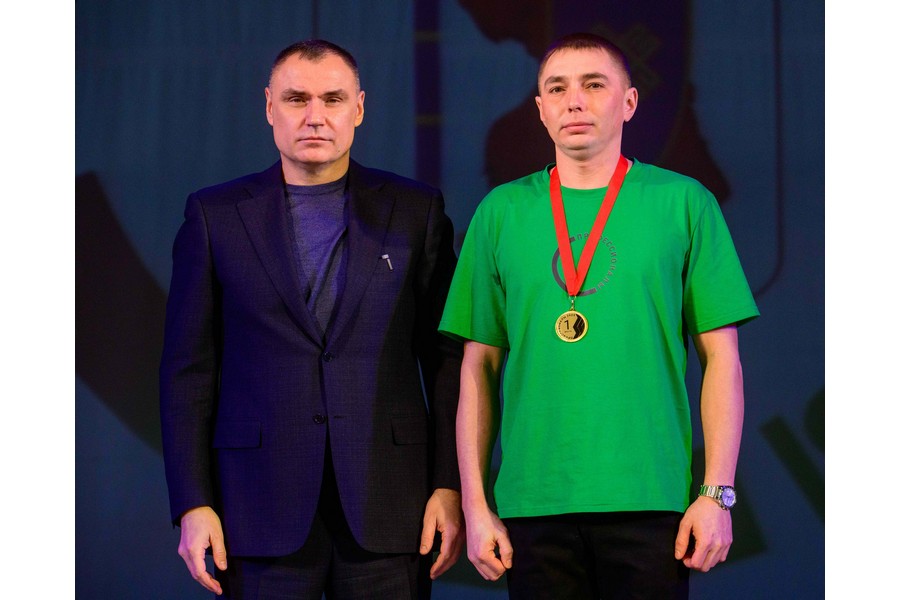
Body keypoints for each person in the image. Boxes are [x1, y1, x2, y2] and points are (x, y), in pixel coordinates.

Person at [439, 32, 759, 599]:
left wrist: (717, 494)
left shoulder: (683, 203)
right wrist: (475, 504)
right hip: (533, 503)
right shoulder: (500, 213)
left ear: (629, 102)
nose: (574, 102)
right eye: (557, 89)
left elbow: (722, 360)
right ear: (540, 109)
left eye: (593, 85)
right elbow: (477, 368)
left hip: (650, 500)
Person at [159, 39, 463, 599]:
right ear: (269, 106)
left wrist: (450, 485)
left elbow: (447, 361)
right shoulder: (214, 215)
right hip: (256, 508)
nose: (315, 116)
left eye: (333, 99)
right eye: (297, 99)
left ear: (359, 108)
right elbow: (187, 372)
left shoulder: (415, 211)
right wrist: (193, 502)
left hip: (390, 503)